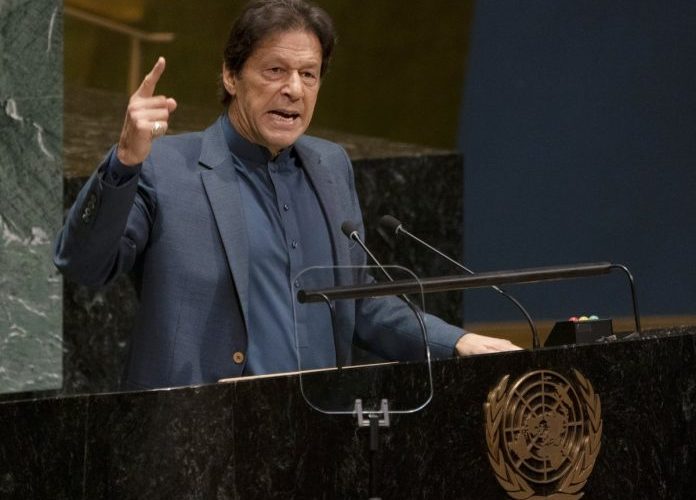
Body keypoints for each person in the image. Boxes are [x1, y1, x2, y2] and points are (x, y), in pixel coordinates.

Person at [54, 0, 520, 390]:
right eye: (275, 70)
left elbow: (359, 302)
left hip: (312, 440)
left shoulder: (330, 166)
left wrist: (455, 342)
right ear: (231, 76)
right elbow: (83, 264)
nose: (293, 89)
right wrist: (124, 161)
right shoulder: (166, 166)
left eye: (308, 74)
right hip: (195, 442)